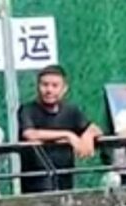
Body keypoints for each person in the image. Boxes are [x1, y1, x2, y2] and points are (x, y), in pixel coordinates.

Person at [18, 65, 103, 193]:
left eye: (54, 85)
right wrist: (69, 136)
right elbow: (30, 134)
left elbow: (95, 129)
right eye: (44, 85)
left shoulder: (71, 111)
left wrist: (88, 135)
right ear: (37, 86)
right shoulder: (27, 110)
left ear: (64, 89)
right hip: (36, 183)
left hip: (65, 179)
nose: (49, 90)